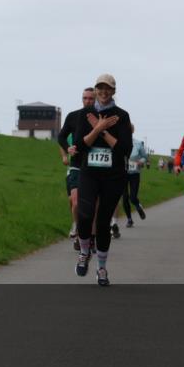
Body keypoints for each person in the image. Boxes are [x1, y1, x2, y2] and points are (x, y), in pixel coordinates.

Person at [72, 74, 133, 287]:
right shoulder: (85, 114)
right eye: (100, 88)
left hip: (113, 176)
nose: (103, 92)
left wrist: (102, 130)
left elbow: (125, 149)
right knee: (85, 214)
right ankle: (84, 252)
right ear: (96, 90)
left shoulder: (121, 116)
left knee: (103, 222)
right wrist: (97, 128)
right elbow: (80, 146)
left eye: (108, 88)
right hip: (89, 173)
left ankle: (101, 268)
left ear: (113, 91)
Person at [58, 88, 95, 250]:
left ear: (96, 100)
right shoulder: (73, 116)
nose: (87, 101)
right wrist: (68, 148)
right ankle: (79, 231)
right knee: (75, 202)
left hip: (94, 166)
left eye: (91, 98)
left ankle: (91, 235)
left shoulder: (101, 117)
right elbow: (61, 136)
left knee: (93, 206)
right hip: (76, 165)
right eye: (85, 98)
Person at [116, 124, 148, 228]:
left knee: (133, 197)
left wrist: (141, 161)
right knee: (125, 198)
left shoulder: (138, 144)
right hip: (123, 174)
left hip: (134, 173)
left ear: (132, 131)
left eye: (129, 130)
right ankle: (129, 219)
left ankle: (138, 206)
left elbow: (144, 157)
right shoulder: (118, 142)